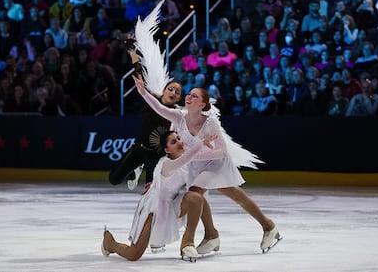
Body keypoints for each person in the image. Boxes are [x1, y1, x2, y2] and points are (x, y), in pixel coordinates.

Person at [133, 76, 281, 254]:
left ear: (202, 104)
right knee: (235, 195)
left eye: (194, 96)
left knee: (195, 194)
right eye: (188, 94)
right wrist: (143, 93)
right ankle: (267, 226)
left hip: (215, 165)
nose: (188, 96)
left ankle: (209, 235)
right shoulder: (179, 117)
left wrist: (194, 152)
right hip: (195, 166)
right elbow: (159, 108)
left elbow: (222, 151)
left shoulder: (209, 123)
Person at [102, 131, 219, 261]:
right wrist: (201, 144)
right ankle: (109, 243)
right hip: (155, 206)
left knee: (196, 198)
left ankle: (188, 243)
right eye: (173, 142)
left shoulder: (186, 163)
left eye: (179, 138)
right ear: (167, 150)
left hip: (172, 204)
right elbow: (186, 159)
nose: (179, 142)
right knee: (133, 255)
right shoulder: (167, 163)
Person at [108, 44, 183, 190]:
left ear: (178, 99)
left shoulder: (177, 113)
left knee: (152, 189)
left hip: (157, 157)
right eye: (171, 88)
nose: (173, 92)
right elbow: (139, 72)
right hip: (139, 149)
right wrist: (131, 51)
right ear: (164, 90)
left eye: (177, 92)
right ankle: (135, 171)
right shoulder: (152, 99)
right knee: (114, 179)